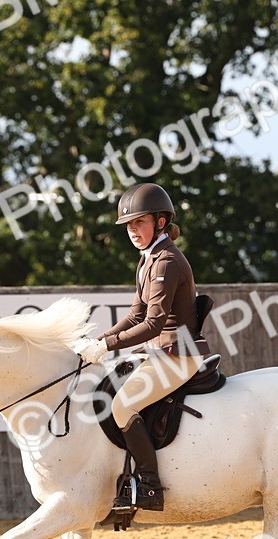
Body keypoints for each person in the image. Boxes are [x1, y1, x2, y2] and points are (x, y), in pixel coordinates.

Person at [71, 183, 211, 512]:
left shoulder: (166, 261)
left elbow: (153, 324)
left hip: (179, 354)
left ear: (160, 222)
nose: (133, 231)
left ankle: (149, 485)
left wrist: (106, 346)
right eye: (130, 226)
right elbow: (135, 314)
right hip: (160, 353)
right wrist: (98, 340)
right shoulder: (147, 259)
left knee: (121, 407)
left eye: (140, 223)